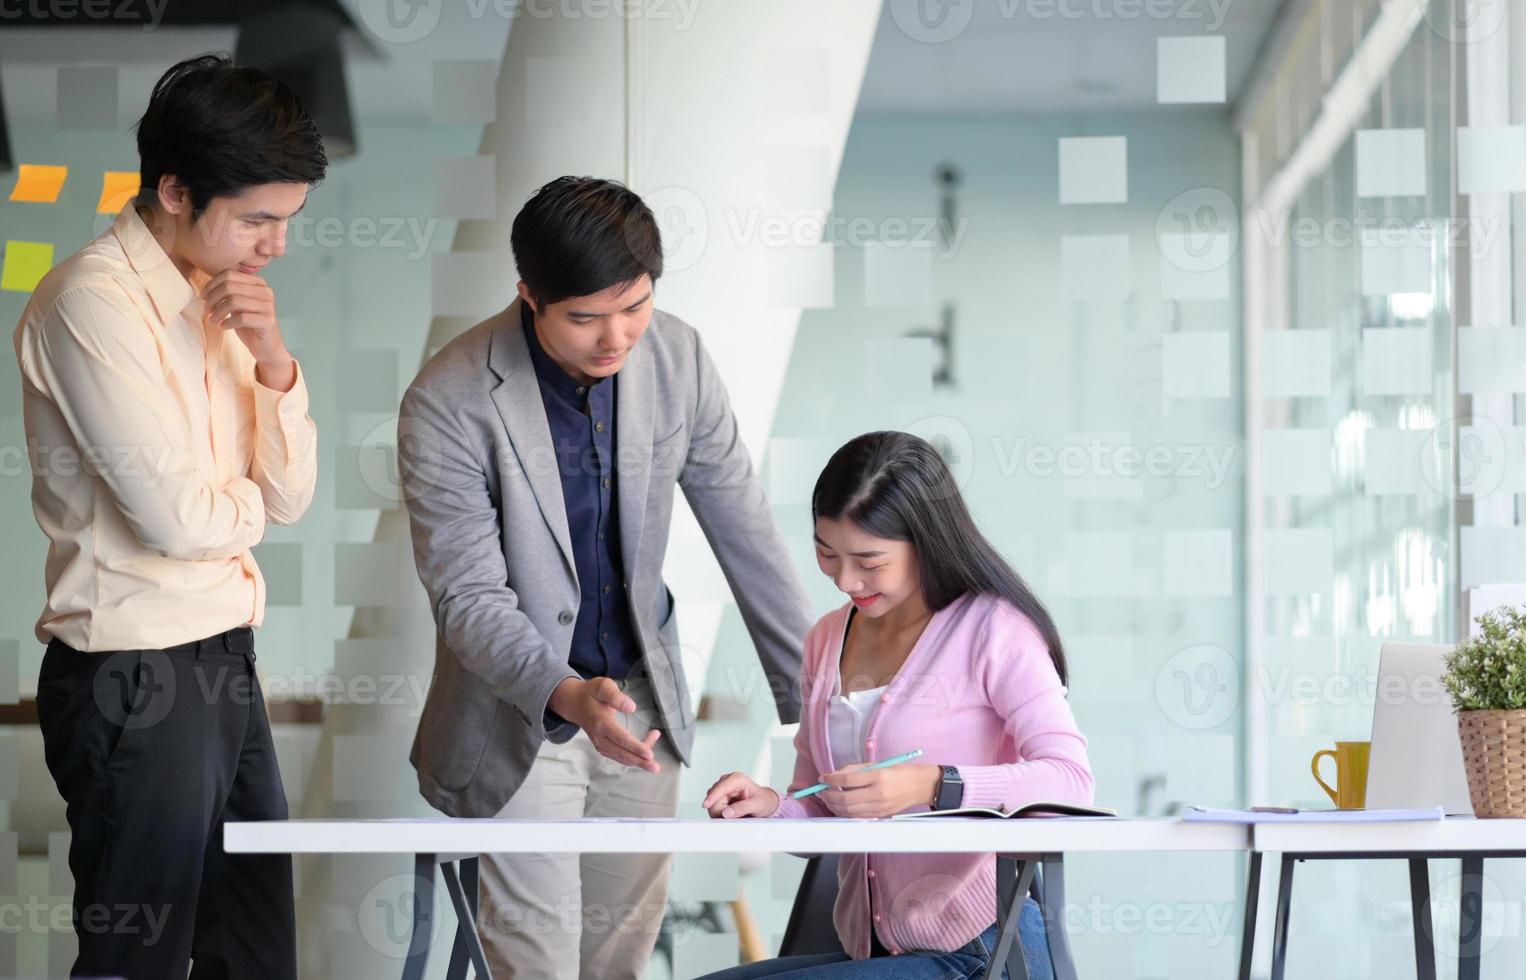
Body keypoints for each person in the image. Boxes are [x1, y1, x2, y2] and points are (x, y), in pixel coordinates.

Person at [398, 176, 812, 980]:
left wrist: (817, 706)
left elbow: (746, 531)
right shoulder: (449, 399)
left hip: (641, 699)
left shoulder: (677, 357)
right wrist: (565, 692)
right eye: (585, 317)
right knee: (539, 964)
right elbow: (468, 600)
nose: (615, 336)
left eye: (635, 305)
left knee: (617, 962)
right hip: (520, 715)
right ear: (529, 296)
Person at [16, 53, 323, 979]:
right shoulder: (90, 302)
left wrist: (273, 361)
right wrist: (243, 505)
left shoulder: (222, 303)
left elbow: (290, 495)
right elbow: (179, 522)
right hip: (133, 675)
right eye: (258, 220)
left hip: (225, 654)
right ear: (177, 190)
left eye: (287, 221)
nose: (276, 246)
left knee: (255, 954)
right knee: (137, 962)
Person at [699, 431, 1094, 979]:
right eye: (826, 552)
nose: (844, 579)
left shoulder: (993, 630)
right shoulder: (825, 639)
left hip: (985, 953)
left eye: (869, 560)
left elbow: (1071, 782)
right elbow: (816, 810)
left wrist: (934, 785)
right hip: (878, 952)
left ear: (925, 543)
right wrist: (769, 807)